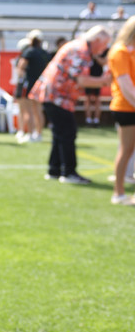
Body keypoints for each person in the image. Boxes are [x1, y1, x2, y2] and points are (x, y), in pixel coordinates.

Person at [29, 25, 111, 184]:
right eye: (105, 44)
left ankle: (54, 170)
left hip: (56, 95)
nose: (105, 48)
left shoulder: (80, 47)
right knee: (68, 132)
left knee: (60, 133)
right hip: (57, 96)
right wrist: (104, 81)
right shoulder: (80, 50)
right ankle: (68, 172)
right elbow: (81, 79)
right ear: (97, 40)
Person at [107, 16, 135, 205]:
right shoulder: (120, 52)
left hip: (129, 105)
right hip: (126, 107)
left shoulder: (128, 51)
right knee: (126, 151)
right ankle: (118, 193)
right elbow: (126, 86)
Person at [14, 30, 51, 142]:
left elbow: (21, 68)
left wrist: (21, 78)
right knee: (38, 110)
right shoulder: (45, 53)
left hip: (29, 83)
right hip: (41, 84)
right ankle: (38, 134)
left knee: (28, 110)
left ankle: (30, 134)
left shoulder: (29, 52)